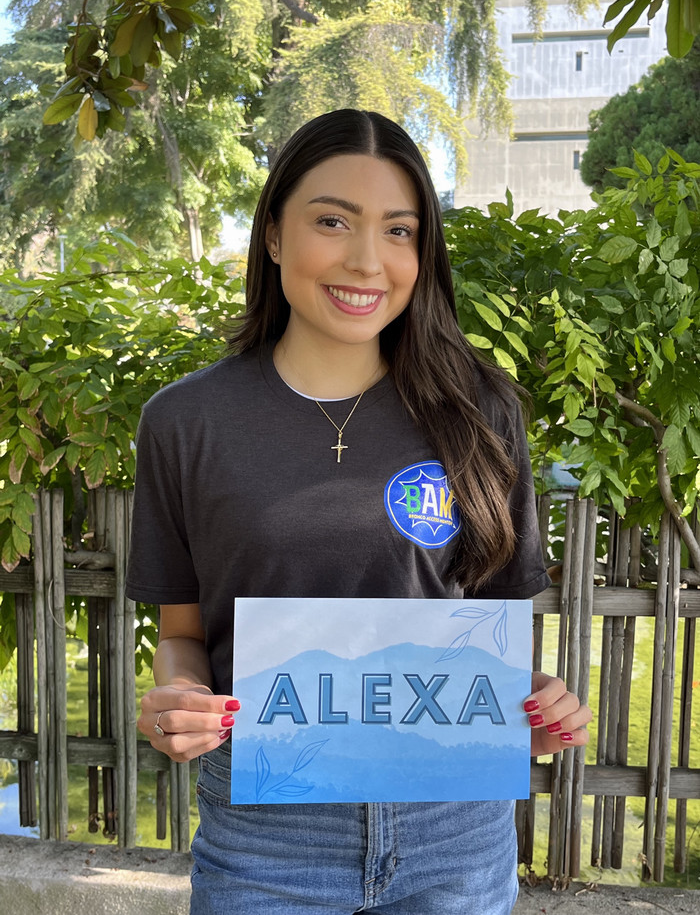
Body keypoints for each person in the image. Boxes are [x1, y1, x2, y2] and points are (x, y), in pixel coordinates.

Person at [126, 108, 592, 915]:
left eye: (399, 230)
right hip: (269, 836)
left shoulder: (482, 411)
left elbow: (489, 637)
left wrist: (534, 703)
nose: (367, 259)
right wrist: (178, 701)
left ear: (423, 250)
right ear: (273, 235)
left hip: (454, 828)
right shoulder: (185, 421)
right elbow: (183, 637)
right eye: (333, 220)